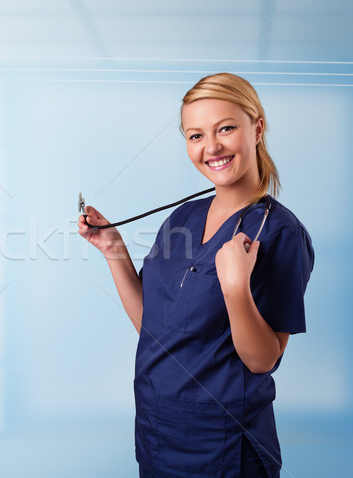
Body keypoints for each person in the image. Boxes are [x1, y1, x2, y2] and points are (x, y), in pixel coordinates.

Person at [78, 73, 314, 478]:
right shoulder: (182, 218)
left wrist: (236, 287)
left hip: (223, 446)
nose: (212, 147)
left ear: (256, 128)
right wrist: (114, 251)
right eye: (195, 135)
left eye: (226, 128)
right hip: (157, 431)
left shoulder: (278, 233)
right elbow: (155, 330)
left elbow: (262, 360)